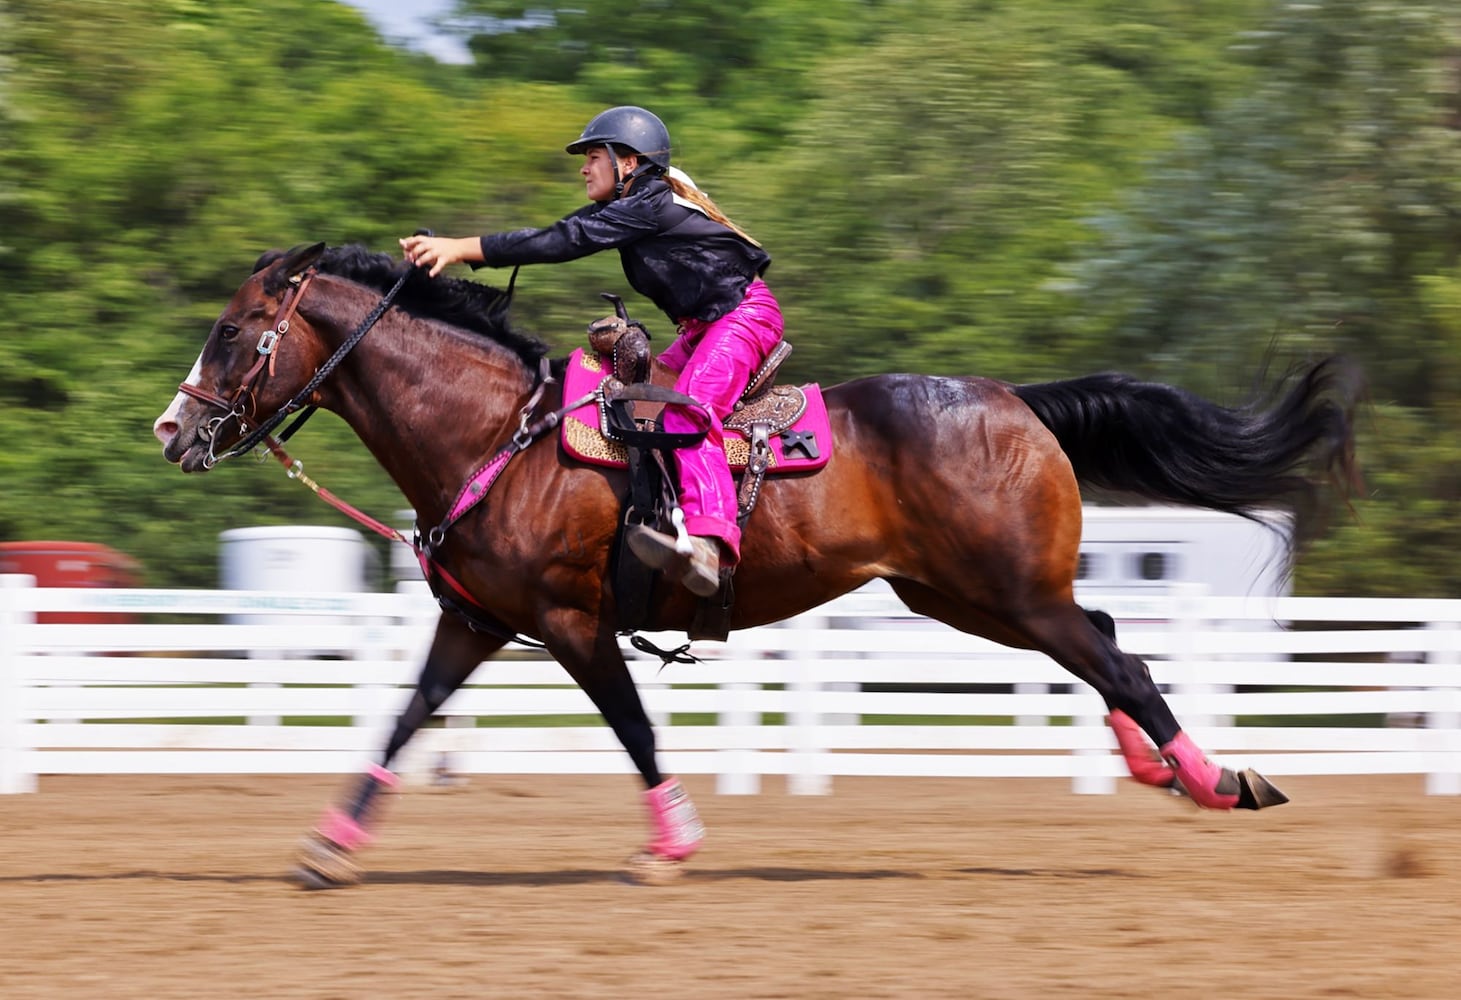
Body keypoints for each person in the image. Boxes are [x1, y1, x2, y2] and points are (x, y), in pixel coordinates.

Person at [400, 105, 782, 598]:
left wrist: (461, 248)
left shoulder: (650, 203)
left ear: (627, 162)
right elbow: (561, 233)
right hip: (702, 329)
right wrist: (462, 249)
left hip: (743, 317)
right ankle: (664, 518)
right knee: (643, 410)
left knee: (690, 415)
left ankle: (710, 543)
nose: (583, 167)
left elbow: (563, 240)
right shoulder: (634, 206)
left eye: (593, 156)